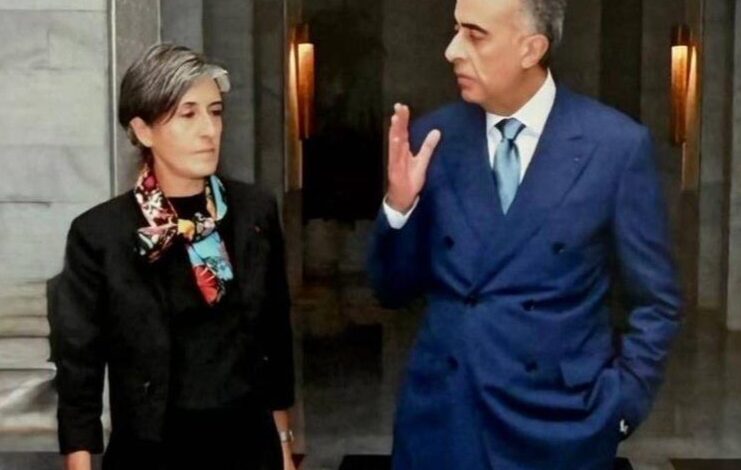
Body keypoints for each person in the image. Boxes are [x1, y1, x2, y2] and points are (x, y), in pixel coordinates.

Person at [367, 0, 682, 468]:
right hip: (446, 420)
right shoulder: (432, 139)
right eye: (455, 30)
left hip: (558, 424)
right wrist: (399, 207)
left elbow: (656, 301)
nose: (452, 50)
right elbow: (390, 290)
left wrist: (621, 405)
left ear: (531, 49)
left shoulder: (614, 146)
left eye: (475, 35)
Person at [51, 44, 295, 470]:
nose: (209, 130)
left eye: (215, 112)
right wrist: (79, 461)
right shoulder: (101, 235)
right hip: (152, 451)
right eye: (188, 114)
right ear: (143, 130)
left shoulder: (253, 212)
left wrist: (285, 448)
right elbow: (79, 365)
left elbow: (275, 336)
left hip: (248, 445)